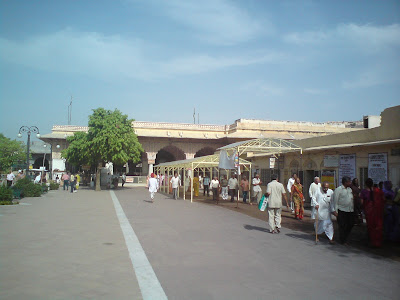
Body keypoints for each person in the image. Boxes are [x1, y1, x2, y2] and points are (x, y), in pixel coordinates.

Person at [361, 178, 385, 247]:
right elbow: (383, 199)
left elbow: (362, 202)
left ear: (365, 184)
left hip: (369, 212)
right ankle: (378, 242)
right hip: (378, 211)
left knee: (371, 227)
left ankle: (372, 242)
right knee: (378, 227)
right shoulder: (378, 191)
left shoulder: (364, 191)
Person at [333, 176, 354, 245]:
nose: (350, 183)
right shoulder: (338, 190)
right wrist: (335, 211)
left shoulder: (349, 189)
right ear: (345, 182)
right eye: (349, 182)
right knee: (342, 226)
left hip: (350, 210)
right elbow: (335, 201)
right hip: (342, 210)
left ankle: (346, 237)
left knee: (350, 224)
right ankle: (343, 240)